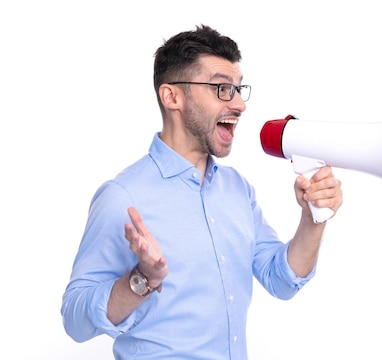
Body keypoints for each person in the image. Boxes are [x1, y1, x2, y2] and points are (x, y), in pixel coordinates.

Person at [61, 24, 343, 360]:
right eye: (222, 89)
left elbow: (281, 280)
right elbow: (75, 321)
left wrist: (314, 218)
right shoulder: (123, 196)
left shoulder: (238, 190)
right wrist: (142, 279)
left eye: (239, 89)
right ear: (172, 97)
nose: (239, 104)